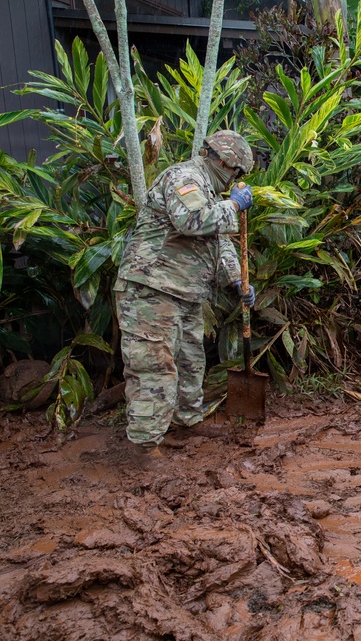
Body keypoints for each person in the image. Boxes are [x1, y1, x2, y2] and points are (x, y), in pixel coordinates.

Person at [115, 130, 257, 461]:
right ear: (224, 162)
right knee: (153, 368)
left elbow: (218, 241)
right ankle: (145, 447)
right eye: (236, 172)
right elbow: (192, 221)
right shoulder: (185, 177)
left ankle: (187, 420)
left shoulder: (208, 189)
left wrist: (237, 281)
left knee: (190, 362)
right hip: (151, 290)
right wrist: (234, 205)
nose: (234, 180)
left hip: (186, 293)